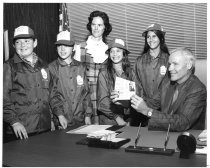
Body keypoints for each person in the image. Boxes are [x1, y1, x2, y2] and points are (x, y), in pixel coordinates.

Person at [3, 26, 65, 142]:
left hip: (44, 127)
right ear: (13, 46)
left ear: (35, 43)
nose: (23, 45)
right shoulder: (8, 67)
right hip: (22, 131)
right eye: (18, 42)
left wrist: (59, 114)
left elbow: (52, 93)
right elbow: (3, 98)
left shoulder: (44, 66)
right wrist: (14, 122)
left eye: (27, 41)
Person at [131, 47, 206, 132]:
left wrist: (147, 111)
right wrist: (130, 100)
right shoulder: (167, 82)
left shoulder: (198, 89)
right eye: (170, 64)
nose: (170, 68)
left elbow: (182, 122)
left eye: (175, 64)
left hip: (186, 138)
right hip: (165, 133)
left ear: (188, 65)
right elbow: (153, 103)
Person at [97, 38, 147, 126]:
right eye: (112, 51)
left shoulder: (131, 73)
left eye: (118, 51)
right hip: (109, 121)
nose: (115, 54)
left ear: (124, 53)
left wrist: (130, 118)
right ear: (109, 54)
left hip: (128, 120)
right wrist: (117, 117)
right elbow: (102, 102)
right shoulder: (103, 73)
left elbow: (138, 95)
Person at [74, 10, 112, 124]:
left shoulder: (110, 50)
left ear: (105, 27)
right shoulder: (80, 48)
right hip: (85, 98)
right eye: (93, 24)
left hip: (103, 99)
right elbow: (75, 79)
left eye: (99, 25)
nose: (96, 28)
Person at [49, 31, 93, 128]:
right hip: (62, 120)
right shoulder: (52, 68)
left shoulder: (80, 67)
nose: (62, 49)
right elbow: (53, 96)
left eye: (66, 45)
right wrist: (60, 115)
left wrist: (88, 115)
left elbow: (86, 93)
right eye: (59, 45)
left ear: (73, 48)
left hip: (80, 120)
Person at [134, 23, 170, 102]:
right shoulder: (139, 61)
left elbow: (170, 86)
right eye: (148, 37)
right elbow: (136, 84)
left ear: (161, 38)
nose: (150, 40)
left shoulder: (169, 60)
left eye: (154, 36)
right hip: (143, 106)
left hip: (164, 106)